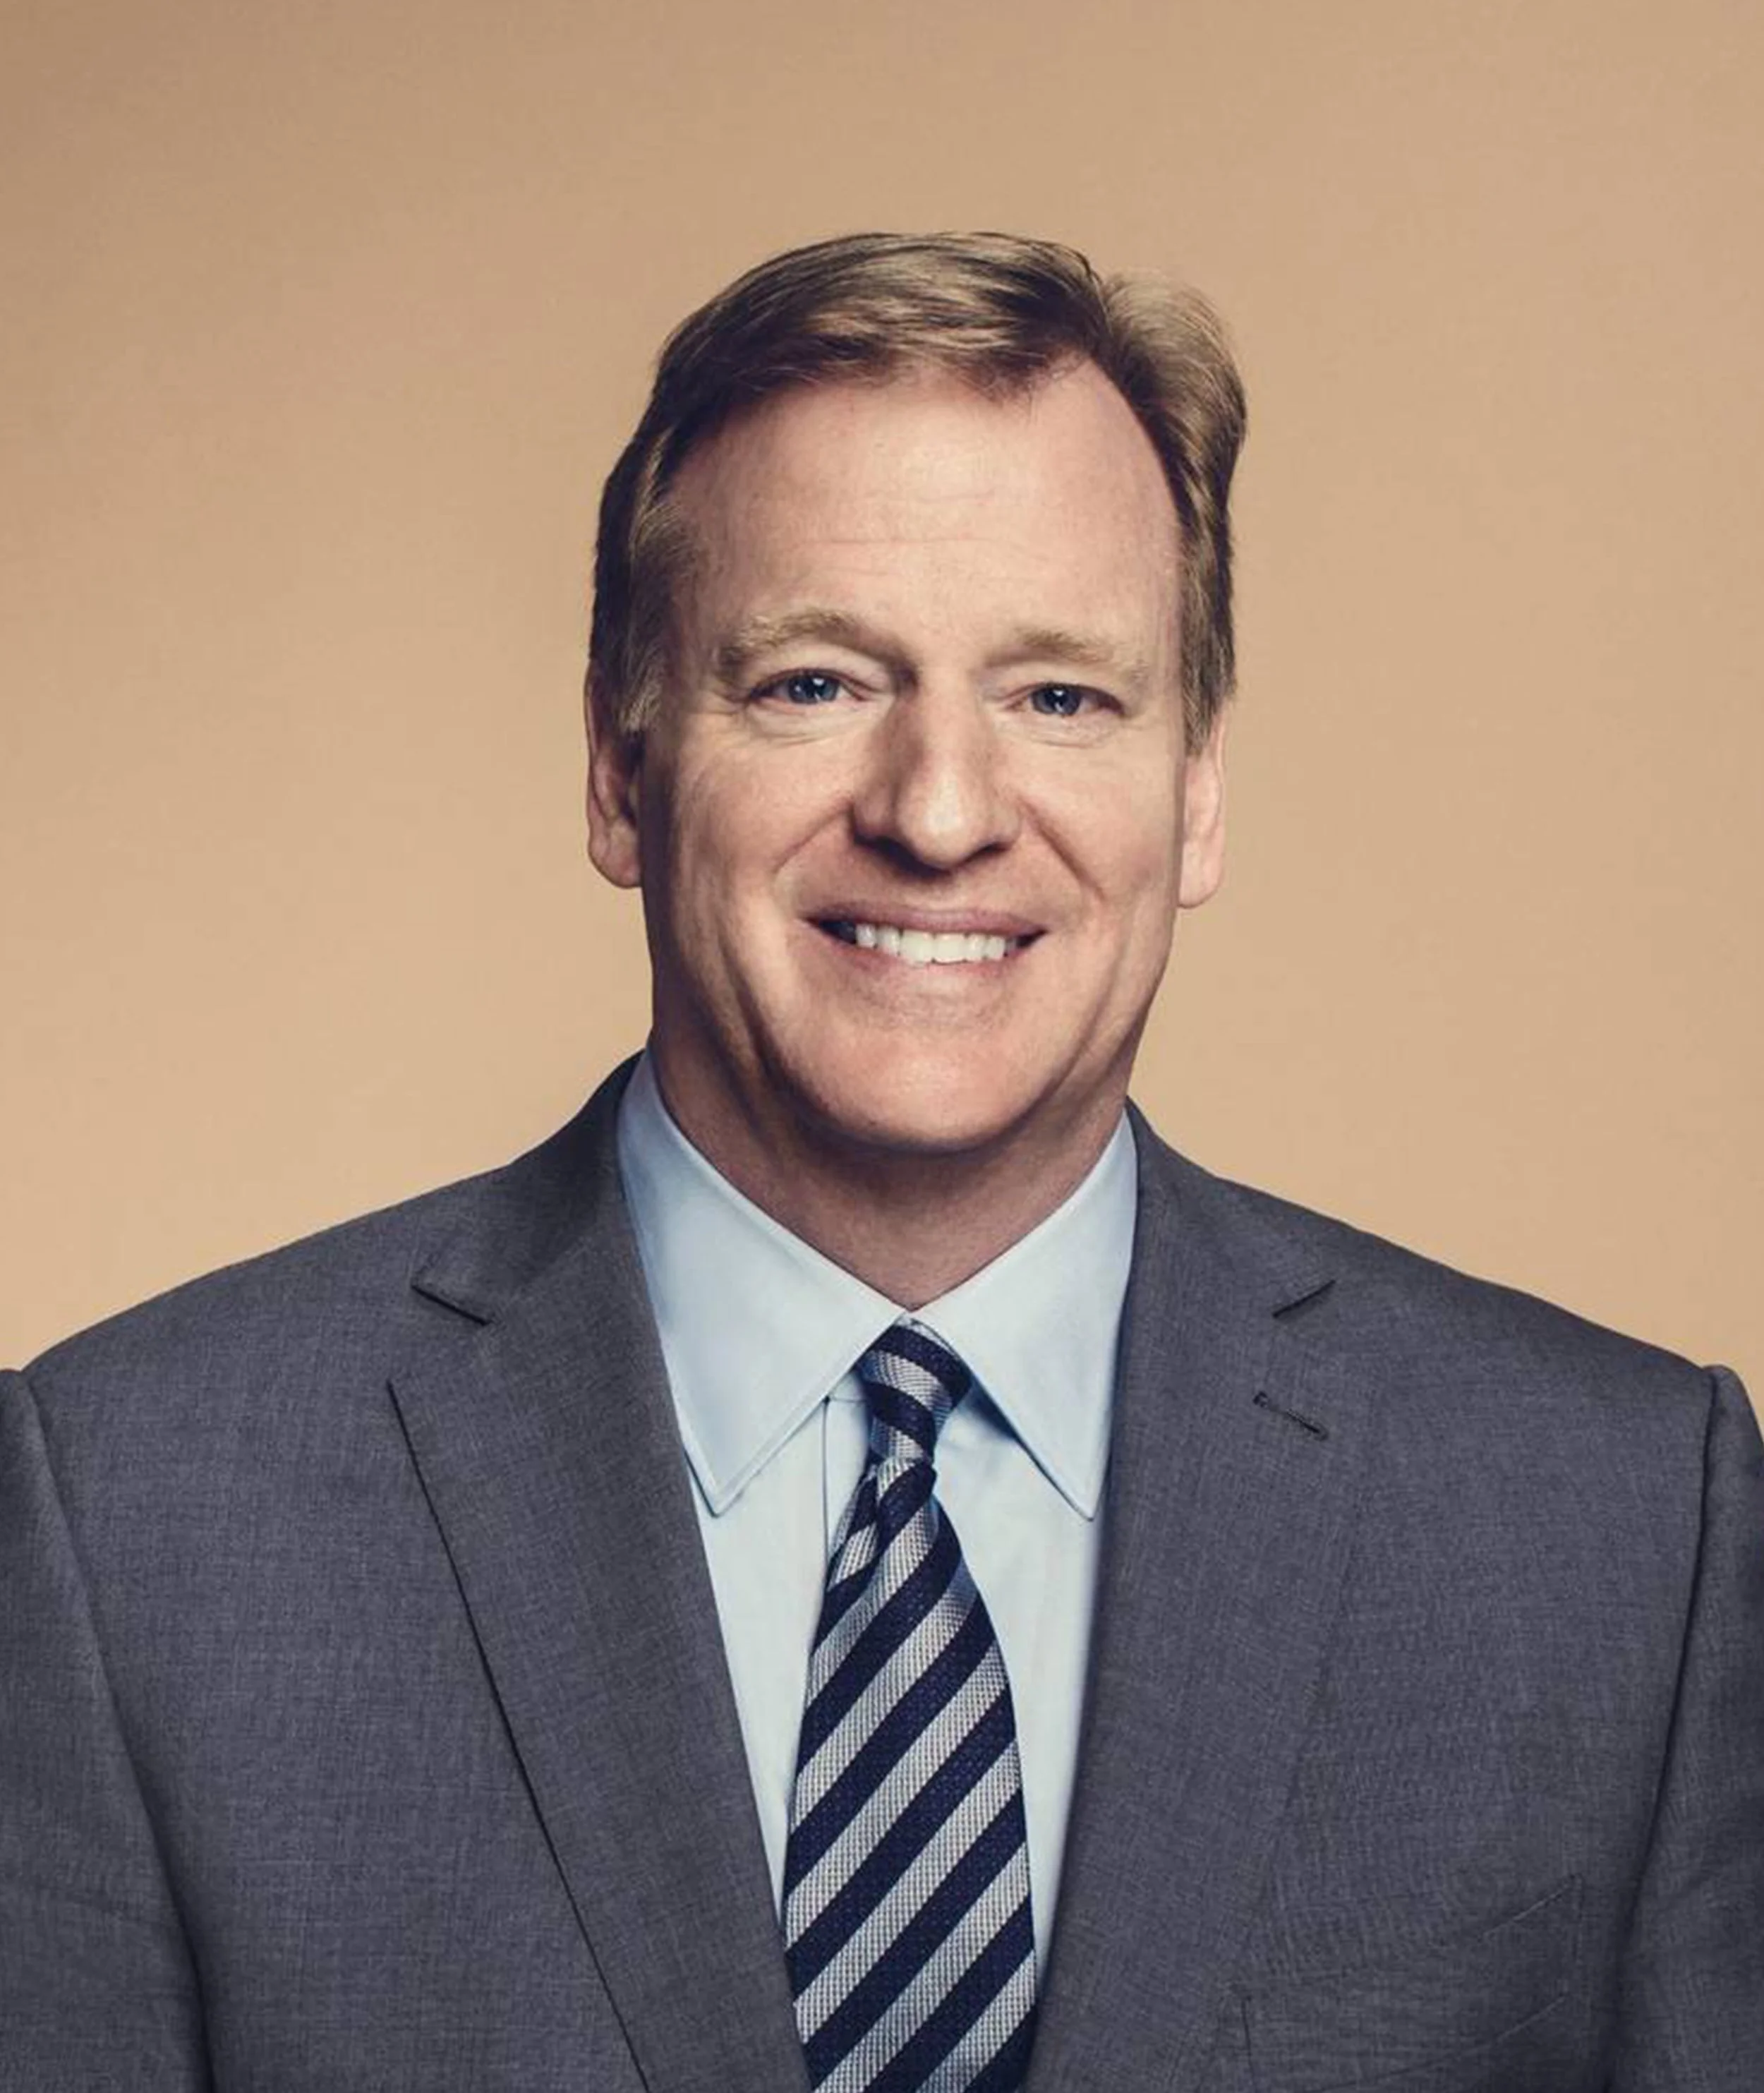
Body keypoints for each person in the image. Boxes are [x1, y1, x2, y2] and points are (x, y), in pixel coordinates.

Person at [2, 231, 1758, 2092]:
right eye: (818, 682)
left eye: (1060, 697)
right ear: (618, 764)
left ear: (1198, 788)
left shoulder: (1620, 1538)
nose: (936, 810)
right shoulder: (129, 1527)